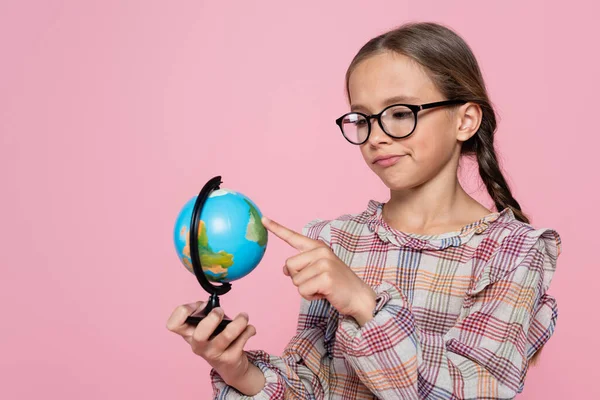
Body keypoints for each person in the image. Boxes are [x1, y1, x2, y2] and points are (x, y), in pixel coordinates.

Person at [166, 22, 561, 399]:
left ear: (465, 120)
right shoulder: (335, 241)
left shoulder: (514, 252)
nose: (376, 136)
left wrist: (363, 304)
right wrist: (235, 367)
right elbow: (311, 388)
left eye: (401, 113)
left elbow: (472, 391)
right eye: (362, 118)